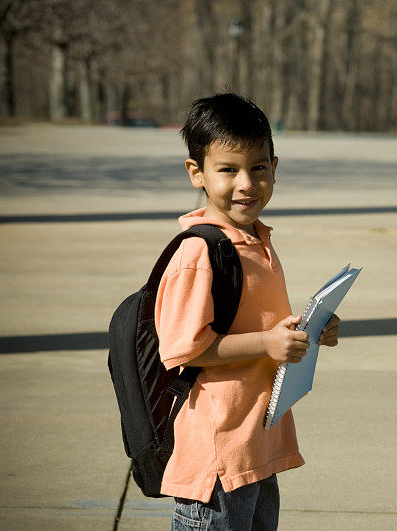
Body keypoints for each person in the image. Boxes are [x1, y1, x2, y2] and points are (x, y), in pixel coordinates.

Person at [154, 92, 340, 530]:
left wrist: (310, 330)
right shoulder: (199, 252)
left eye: (258, 168)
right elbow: (184, 349)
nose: (246, 183)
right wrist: (268, 343)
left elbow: (261, 324)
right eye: (228, 170)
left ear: (275, 167)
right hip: (218, 455)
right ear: (196, 173)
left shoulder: (257, 239)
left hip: (256, 446)